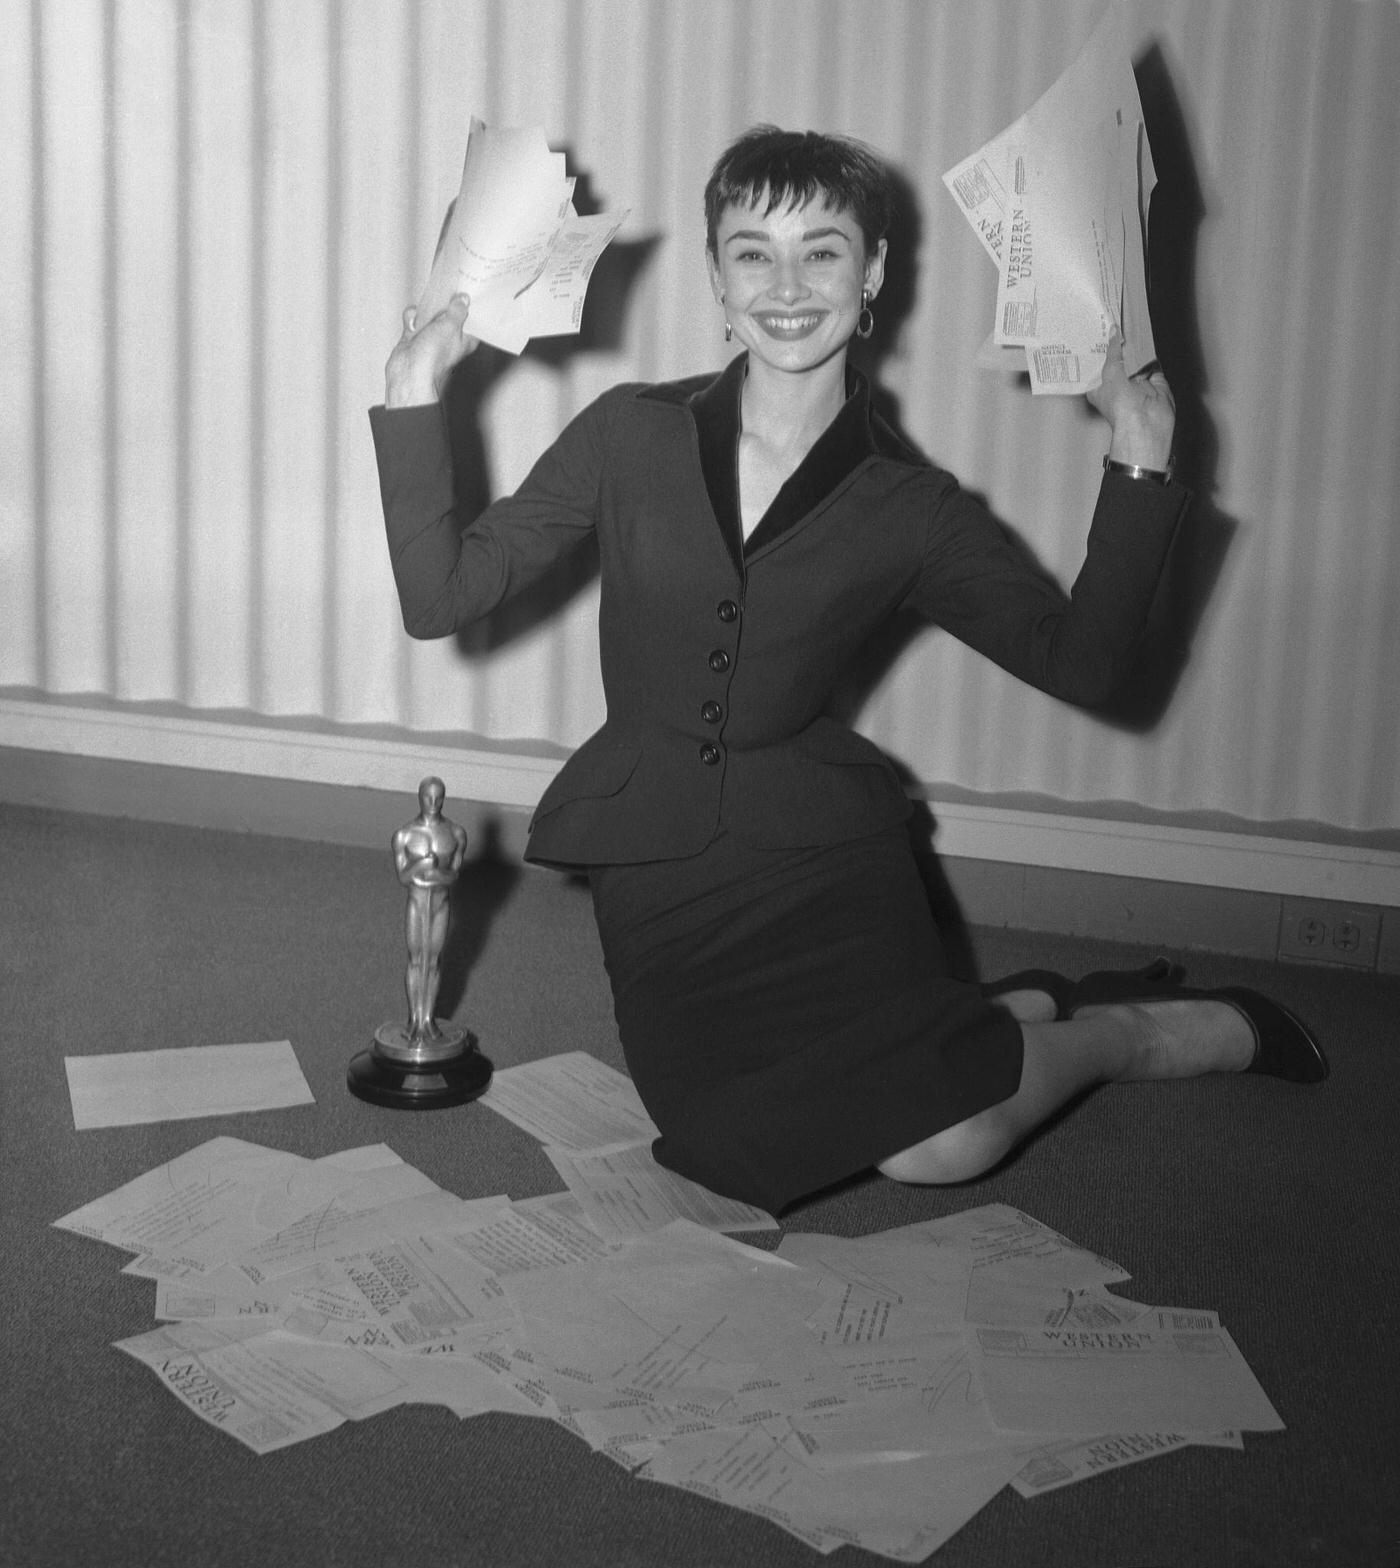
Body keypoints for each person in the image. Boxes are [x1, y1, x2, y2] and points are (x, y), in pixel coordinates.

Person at [369, 126, 1325, 1214]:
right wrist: (412, 388)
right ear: (716, 275)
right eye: (753, 253)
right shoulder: (626, 434)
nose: (786, 288)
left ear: (870, 273)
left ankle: (1132, 1034)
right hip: (660, 868)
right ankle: (998, 1015)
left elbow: (1086, 664)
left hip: (822, 864)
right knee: (724, 1145)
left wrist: (1141, 450)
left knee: (942, 1144)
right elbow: (440, 598)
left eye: (821, 252)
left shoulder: (910, 504)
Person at [392, 775, 469, 1043]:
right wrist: (423, 865)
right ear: (420, 797)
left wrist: (433, 873)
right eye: (428, 797)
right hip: (416, 903)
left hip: (440, 904)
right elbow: (403, 877)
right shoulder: (405, 835)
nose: (433, 803)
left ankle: (428, 1019)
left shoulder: (456, 834)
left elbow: (454, 876)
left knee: (434, 961)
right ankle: (414, 1020)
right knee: (415, 960)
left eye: (439, 797)